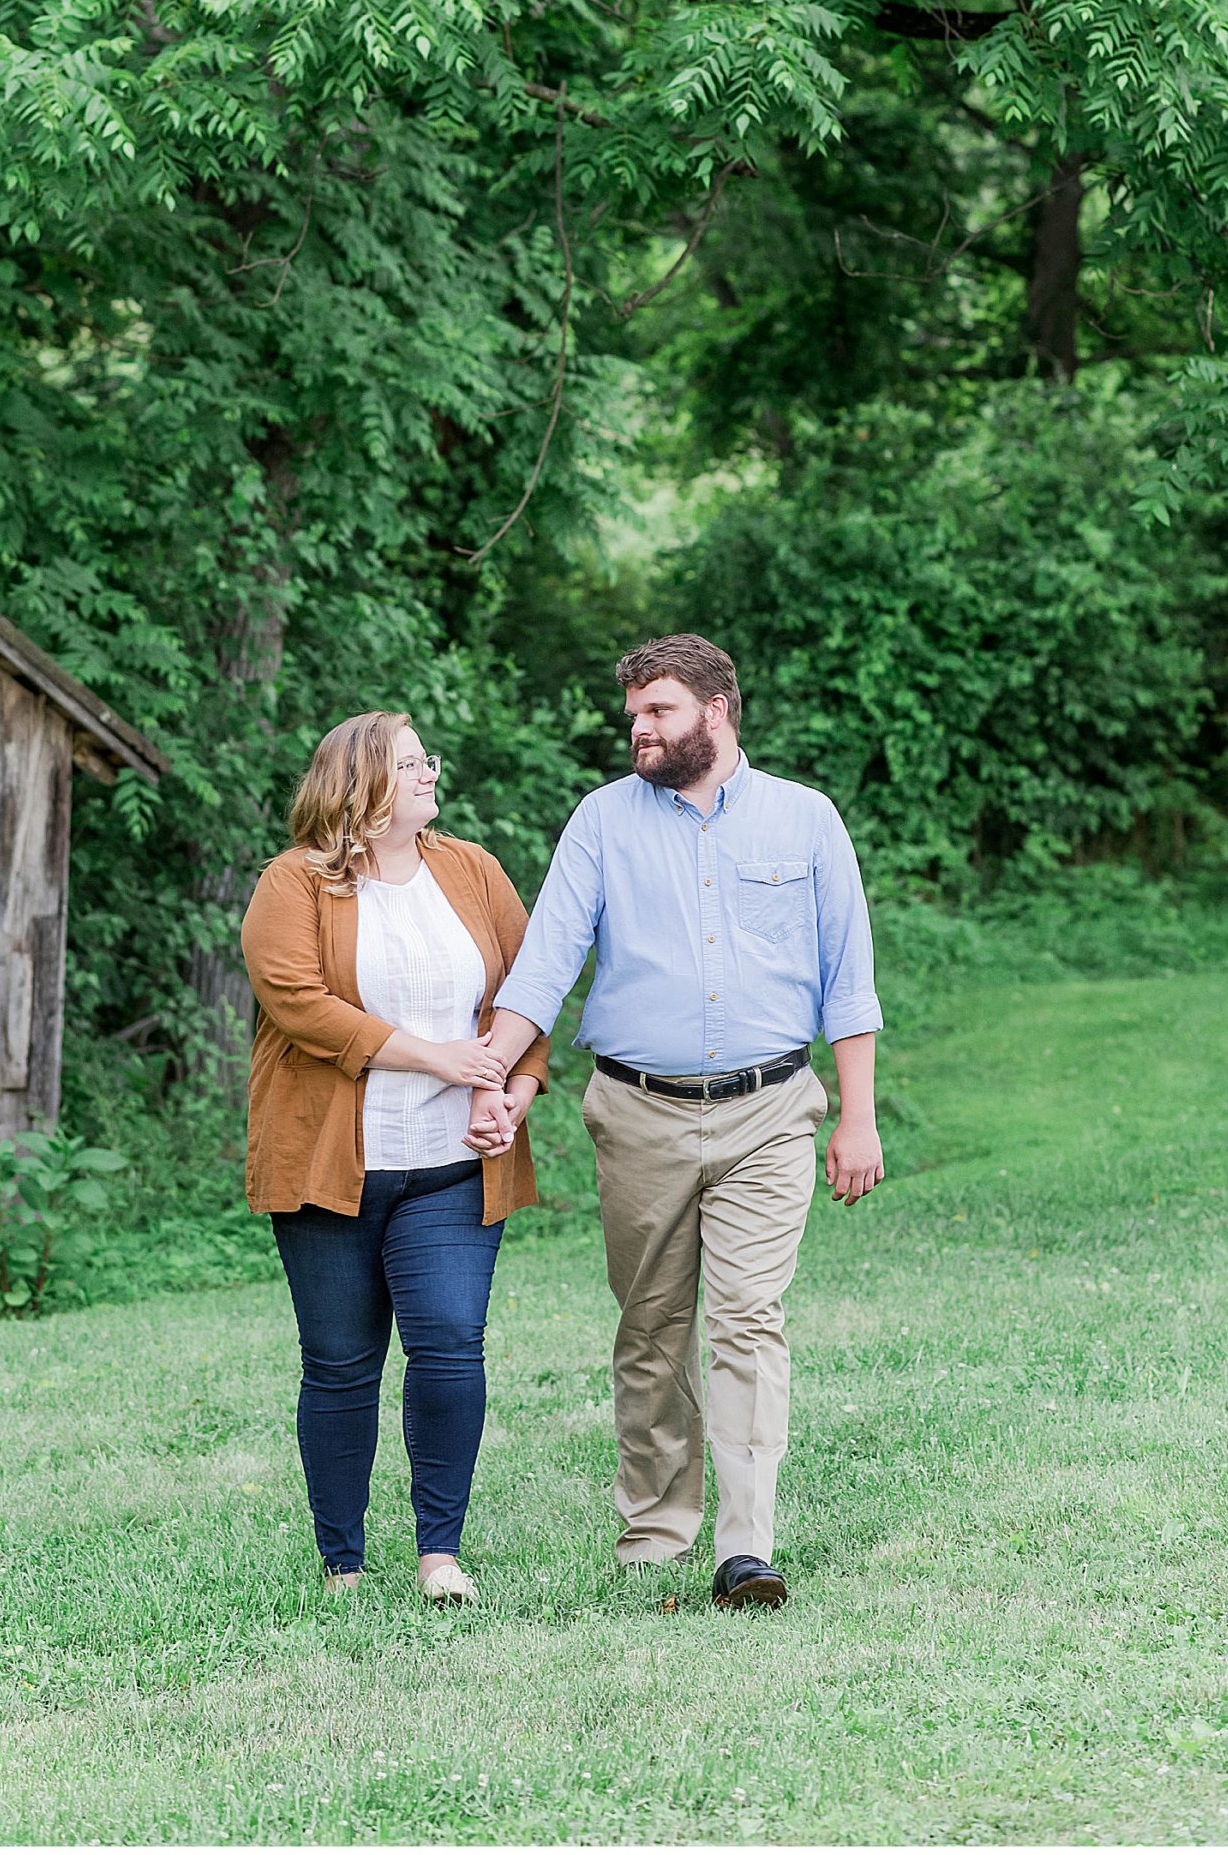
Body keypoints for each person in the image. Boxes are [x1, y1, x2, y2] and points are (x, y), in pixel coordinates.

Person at [467, 633, 882, 1610]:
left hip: (772, 1111)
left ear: (716, 709)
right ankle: (656, 1524)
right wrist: (493, 1067)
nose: (638, 730)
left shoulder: (806, 820)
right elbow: (547, 961)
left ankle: (746, 1545)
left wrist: (855, 1117)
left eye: (657, 711)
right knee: (651, 1327)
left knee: (746, 1318)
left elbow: (847, 979)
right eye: (633, 715)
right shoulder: (603, 821)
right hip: (639, 1114)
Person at [240, 710, 547, 1603]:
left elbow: (527, 992)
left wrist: (514, 1092)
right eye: (411, 763)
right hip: (330, 1171)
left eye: (427, 761)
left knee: (450, 1342)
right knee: (339, 1363)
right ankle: (343, 1562)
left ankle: (439, 1554)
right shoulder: (293, 883)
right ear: (362, 782)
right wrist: (439, 1056)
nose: (429, 774)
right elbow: (298, 1001)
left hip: (453, 1165)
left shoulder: (471, 869)